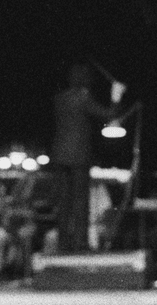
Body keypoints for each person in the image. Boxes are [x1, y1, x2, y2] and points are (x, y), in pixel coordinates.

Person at [50, 63, 121, 253]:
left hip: (60, 154)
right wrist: (116, 96)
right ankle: (80, 244)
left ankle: (62, 244)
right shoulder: (83, 97)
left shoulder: (60, 98)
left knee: (64, 202)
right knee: (80, 201)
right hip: (78, 155)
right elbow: (109, 114)